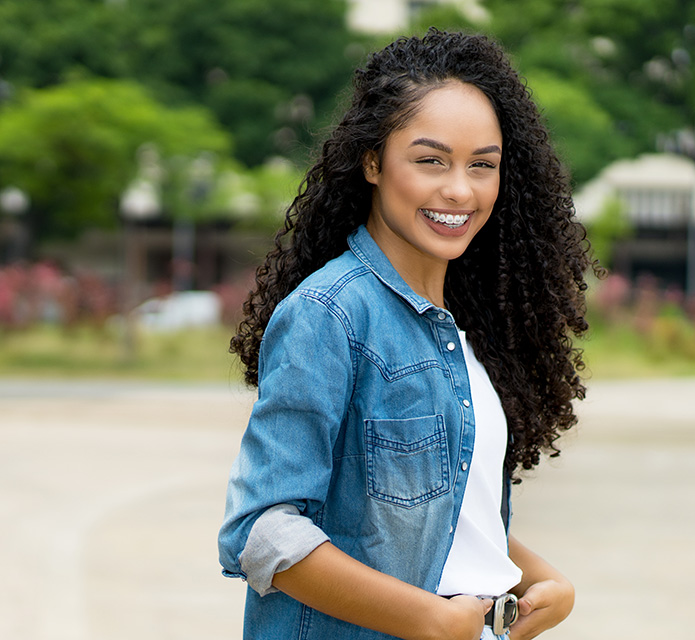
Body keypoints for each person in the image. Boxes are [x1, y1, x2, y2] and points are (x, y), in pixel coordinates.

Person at [219, 29, 598, 640]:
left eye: (483, 165)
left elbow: (434, 506)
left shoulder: (463, 333)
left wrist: (538, 579)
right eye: (430, 160)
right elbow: (263, 530)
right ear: (372, 162)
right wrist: (427, 619)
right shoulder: (329, 314)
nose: (460, 189)